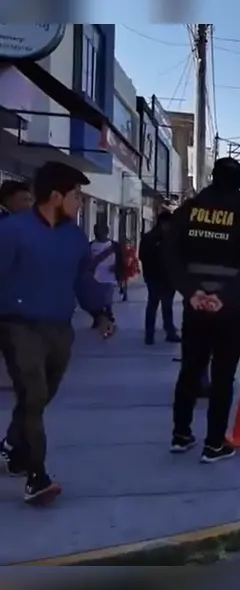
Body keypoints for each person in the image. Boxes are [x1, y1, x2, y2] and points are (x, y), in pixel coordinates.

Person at [0, 161, 115, 505]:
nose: (81, 201)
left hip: (59, 329)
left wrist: (100, 313)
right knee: (33, 396)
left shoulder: (74, 238)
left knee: (40, 397)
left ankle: (15, 449)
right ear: (55, 196)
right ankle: (38, 477)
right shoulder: (12, 231)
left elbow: (82, 281)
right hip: (18, 326)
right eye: (76, 195)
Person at [164, 158, 240, 463]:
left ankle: (181, 435)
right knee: (223, 375)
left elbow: (170, 258)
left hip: (195, 307)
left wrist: (193, 292)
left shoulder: (186, 214)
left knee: (190, 370)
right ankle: (214, 444)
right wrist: (224, 296)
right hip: (233, 309)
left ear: (212, 178)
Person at [139, 211, 181, 344]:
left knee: (154, 305)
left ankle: (150, 335)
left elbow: (142, 256)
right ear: (164, 223)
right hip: (164, 278)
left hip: (155, 277)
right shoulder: (170, 238)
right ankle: (168, 332)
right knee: (164, 306)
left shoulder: (148, 237)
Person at [89, 223, 127, 323]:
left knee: (107, 298)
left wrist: (117, 268)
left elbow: (122, 261)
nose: (99, 234)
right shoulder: (90, 246)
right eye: (97, 231)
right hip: (95, 278)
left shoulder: (115, 246)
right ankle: (100, 317)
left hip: (110, 277)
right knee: (97, 300)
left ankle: (108, 315)